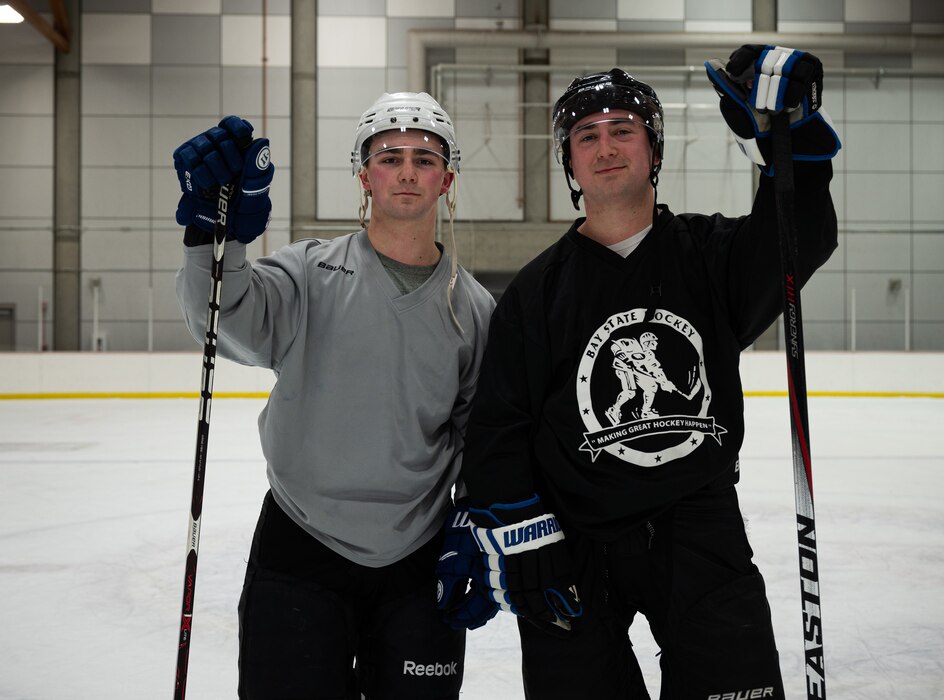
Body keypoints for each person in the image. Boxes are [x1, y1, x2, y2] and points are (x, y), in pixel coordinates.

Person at [460, 45, 841, 699]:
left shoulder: (712, 256)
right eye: (588, 135)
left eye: (623, 130)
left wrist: (793, 136)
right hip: (572, 542)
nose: (606, 146)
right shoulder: (535, 293)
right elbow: (499, 427)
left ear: (653, 151)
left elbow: (798, 234)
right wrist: (526, 539)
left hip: (700, 532)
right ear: (570, 163)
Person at [173, 91, 497, 699]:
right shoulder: (307, 274)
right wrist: (212, 236)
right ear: (364, 176)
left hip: (418, 559)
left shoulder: (475, 310)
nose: (407, 171)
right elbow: (225, 316)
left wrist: (475, 523)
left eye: (425, 159)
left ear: (447, 179)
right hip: (301, 548)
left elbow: (478, 435)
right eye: (389, 156)